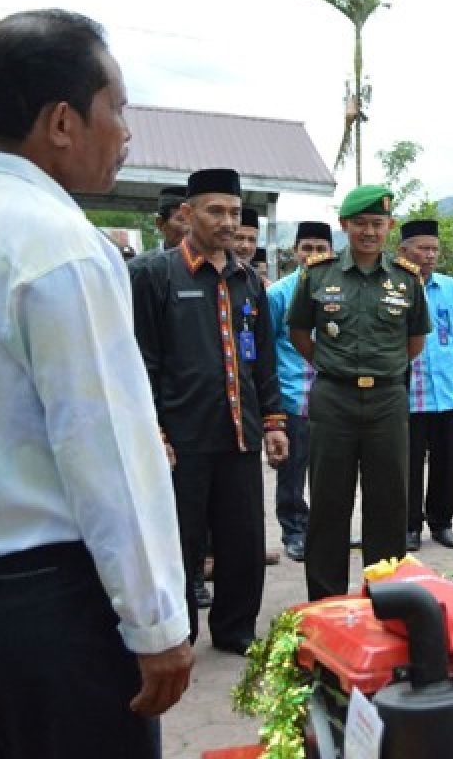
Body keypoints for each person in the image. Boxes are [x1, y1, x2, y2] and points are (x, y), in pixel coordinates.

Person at [0, 8, 193, 759]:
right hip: (48, 609)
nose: (127, 132)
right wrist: (156, 625)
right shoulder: (58, 247)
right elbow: (106, 449)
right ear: (64, 122)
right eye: (119, 108)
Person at [130, 167, 289, 653]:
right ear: (187, 213)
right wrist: (153, 430)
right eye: (214, 210)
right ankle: (179, 632)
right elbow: (141, 361)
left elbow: (262, 359)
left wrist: (274, 421)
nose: (226, 222)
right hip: (181, 439)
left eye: (234, 212)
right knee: (181, 541)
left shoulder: (248, 282)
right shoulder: (154, 275)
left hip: (239, 434)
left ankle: (236, 630)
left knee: (242, 540)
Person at [287, 185, 430, 601]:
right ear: (344, 225)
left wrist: (381, 369)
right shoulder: (317, 274)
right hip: (333, 398)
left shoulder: (406, 280)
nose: (370, 232)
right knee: (329, 503)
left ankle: (384, 601)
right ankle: (326, 602)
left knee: (389, 504)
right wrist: (334, 366)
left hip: (387, 400)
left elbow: (414, 341)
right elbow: (300, 333)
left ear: (389, 227)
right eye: (361, 223)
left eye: (378, 224)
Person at [398, 218, 453, 551]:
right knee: (409, 464)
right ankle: (409, 526)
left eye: (434, 249)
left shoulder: (452, 288)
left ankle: (441, 523)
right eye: (423, 248)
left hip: (448, 391)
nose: (430, 255)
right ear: (403, 251)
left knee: (447, 463)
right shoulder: (393, 285)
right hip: (407, 393)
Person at [265, 221, 333, 562]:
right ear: (295, 252)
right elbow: (265, 347)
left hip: (333, 398)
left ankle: (324, 529)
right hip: (293, 395)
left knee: (330, 469)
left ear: (331, 253)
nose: (313, 255)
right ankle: (293, 530)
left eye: (321, 248)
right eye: (307, 248)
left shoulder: (339, 290)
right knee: (292, 471)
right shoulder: (278, 294)